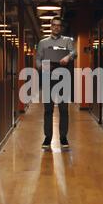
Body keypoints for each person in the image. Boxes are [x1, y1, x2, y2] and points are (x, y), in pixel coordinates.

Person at [36, 16, 77, 150]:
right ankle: (48, 138)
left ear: (61, 27)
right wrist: (42, 66)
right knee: (48, 110)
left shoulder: (67, 41)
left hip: (63, 79)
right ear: (51, 26)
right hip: (48, 79)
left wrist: (68, 56)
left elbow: (74, 52)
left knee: (64, 110)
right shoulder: (43, 42)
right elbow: (37, 59)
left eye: (59, 25)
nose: (56, 27)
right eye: (54, 25)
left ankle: (63, 137)